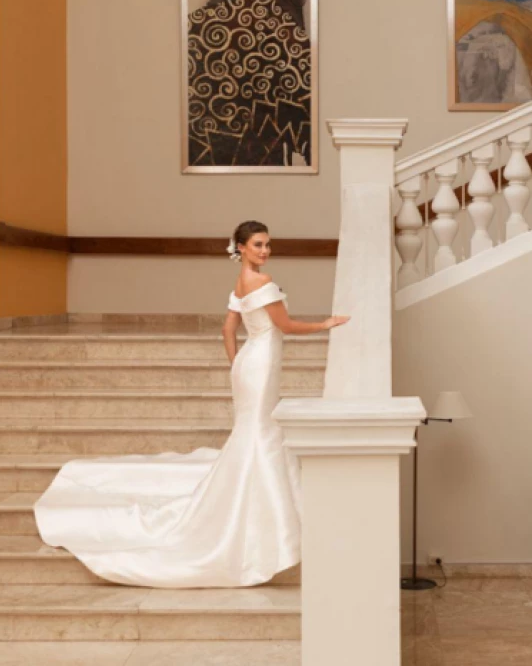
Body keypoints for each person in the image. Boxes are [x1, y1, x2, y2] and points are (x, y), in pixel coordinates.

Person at [33, 220, 350, 588]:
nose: (265, 251)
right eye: (258, 245)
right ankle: (268, 518)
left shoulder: (241, 282)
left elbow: (228, 330)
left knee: (255, 431)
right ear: (242, 248)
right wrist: (326, 324)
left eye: (268, 245)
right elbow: (287, 326)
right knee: (261, 433)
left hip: (250, 363)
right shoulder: (262, 283)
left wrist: (237, 365)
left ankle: (258, 509)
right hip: (260, 365)